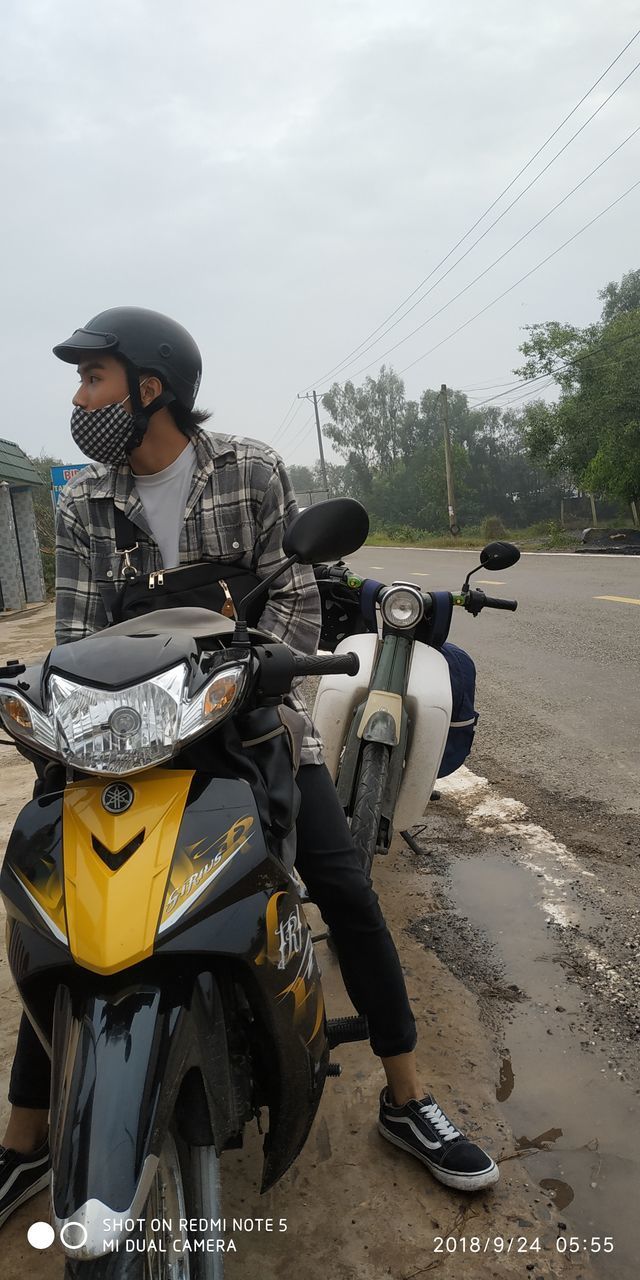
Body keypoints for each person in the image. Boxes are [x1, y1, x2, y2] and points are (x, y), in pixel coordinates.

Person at [0, 307, 499, 1227]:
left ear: (153, 385)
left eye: (93, 379)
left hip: (250, 722)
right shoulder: (81, 505)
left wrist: (251, 678)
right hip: (118, 739)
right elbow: (73, 638)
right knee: (55, 911)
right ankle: (25, 1142)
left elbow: (300, 603)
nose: (79, 399)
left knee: (343, 889)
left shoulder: (250, 469)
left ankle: (406, 1095)